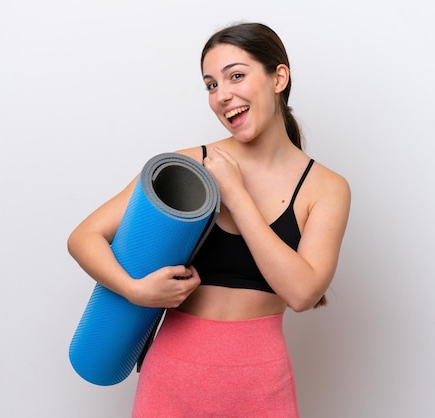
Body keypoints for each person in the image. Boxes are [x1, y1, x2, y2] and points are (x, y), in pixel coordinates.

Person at [67, 22, 351, 417]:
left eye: (236, 75)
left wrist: (235, 193)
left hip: (261, 386)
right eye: (211, 85)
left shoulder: (326, 188)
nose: (222, 95)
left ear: (278, 78)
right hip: (171, 378)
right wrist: (136, 291)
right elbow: (84, 236)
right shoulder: (188, 166)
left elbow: (302, 293)